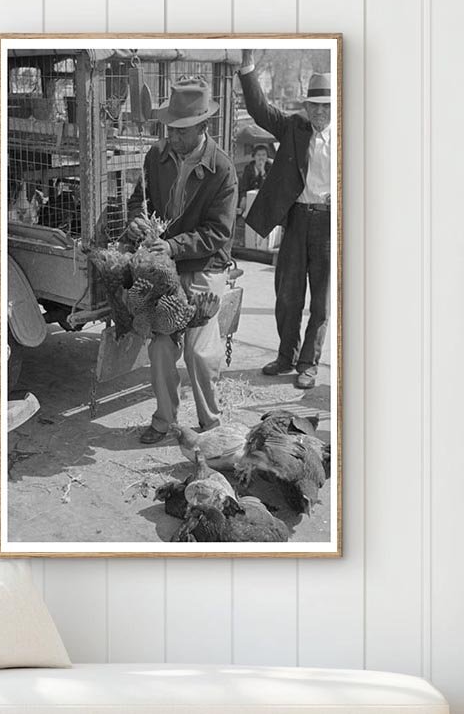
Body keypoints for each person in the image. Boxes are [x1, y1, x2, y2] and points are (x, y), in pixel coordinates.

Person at [126, 75, 239, 444]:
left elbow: (218, 233)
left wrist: (174, 247)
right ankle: (165, 419)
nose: (172, 137)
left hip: (204, 265)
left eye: (180, 131)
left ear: (203, 127)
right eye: (169, 129)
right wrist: (136, 220)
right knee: (160, 346)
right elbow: (136, 202)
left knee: (198, 350)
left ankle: (211, 424)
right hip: (164, 266)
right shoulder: (155, 158)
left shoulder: (222, 168)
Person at [237, 49, 333, 390]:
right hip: (296, 220)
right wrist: (247, 69)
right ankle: (286, 356)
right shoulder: (294, 127)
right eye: (315, 106)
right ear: (306, 107)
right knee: (288, 294)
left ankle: (309, 363)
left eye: (327, 107)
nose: (320, 112)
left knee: (320, 302)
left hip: (328, 226)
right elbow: (260, 110)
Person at [239, 143, 272, 209]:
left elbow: (268, 186)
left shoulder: (270, 168)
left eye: (263, 155)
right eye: (258, 155)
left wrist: (263, 172)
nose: (261, 157)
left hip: (265, 198)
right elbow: (244, 186)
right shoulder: (248, 168)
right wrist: (243, 197)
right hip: (250, 197)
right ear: (254, 157)